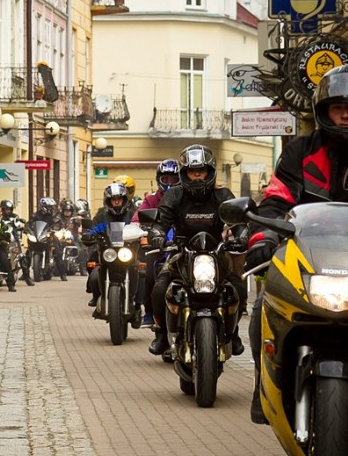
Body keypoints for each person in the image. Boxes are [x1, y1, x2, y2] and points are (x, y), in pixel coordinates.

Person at [245, 64, 348, 424]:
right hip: (309, 259)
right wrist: (263, 236)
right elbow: (276, 198)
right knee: (263, 311)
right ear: (323, 112)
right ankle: (263, 385)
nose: (346, 115)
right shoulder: (300, 152)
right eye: (337, 108)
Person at [147, 144, 247, 358]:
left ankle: (233, 332)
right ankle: (162, 334)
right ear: (185, 174)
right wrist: (157, 235)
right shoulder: (174, 195)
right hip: (181, 252)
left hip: (217, 253)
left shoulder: (222, 195)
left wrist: (243, 235)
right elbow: (160, 221)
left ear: (210, 172)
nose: (197, 177)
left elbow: (238, 220)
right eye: (192, 172)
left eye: (201, 171)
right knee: (159, 288)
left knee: (238, 287)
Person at [132, 159, 181, 325]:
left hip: (184, 243)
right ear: (159, 178)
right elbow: (137, 218)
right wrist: (136, 228)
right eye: (166, 179)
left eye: (173, 179)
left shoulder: (185, 196)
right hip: (159, 244)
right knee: (150, 274)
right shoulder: (152, 199)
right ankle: (150, 312)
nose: (169, 183)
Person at [86, 183, 135, 310]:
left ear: (125, 200)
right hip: (108, 250)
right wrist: (89, 235)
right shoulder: (102, 215)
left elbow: (139, 226)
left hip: (127, 250)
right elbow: (93, 229)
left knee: (140, 270)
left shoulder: (132, 215)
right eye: (114, 199)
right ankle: (97, 296)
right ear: (108, 201)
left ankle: (139, 301)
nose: (117, 202)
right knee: (93, 267)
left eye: (119, 199)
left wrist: (146, 232)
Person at [28, 196, 66, 280]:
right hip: (38, 235)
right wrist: (27, 230)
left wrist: (57, 228)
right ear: (43, 206)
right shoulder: (35, 215)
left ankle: (62, 274)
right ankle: (25, 273)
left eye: (51, 207)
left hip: (50, 235)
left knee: (57, 252)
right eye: (49, 206)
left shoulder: (53, 215)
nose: (51, 208)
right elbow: (29, 224)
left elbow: (59, 223)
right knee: (28, 251)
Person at [0, 199, 35, 286]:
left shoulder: (15, 217)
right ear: (2, 210)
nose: (7, 211)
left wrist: (23, 227)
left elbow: (19, 224)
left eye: (9, 209)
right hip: (3, 239)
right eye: (6, 209)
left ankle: (27, 277)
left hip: (14, 239)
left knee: (22, 257)